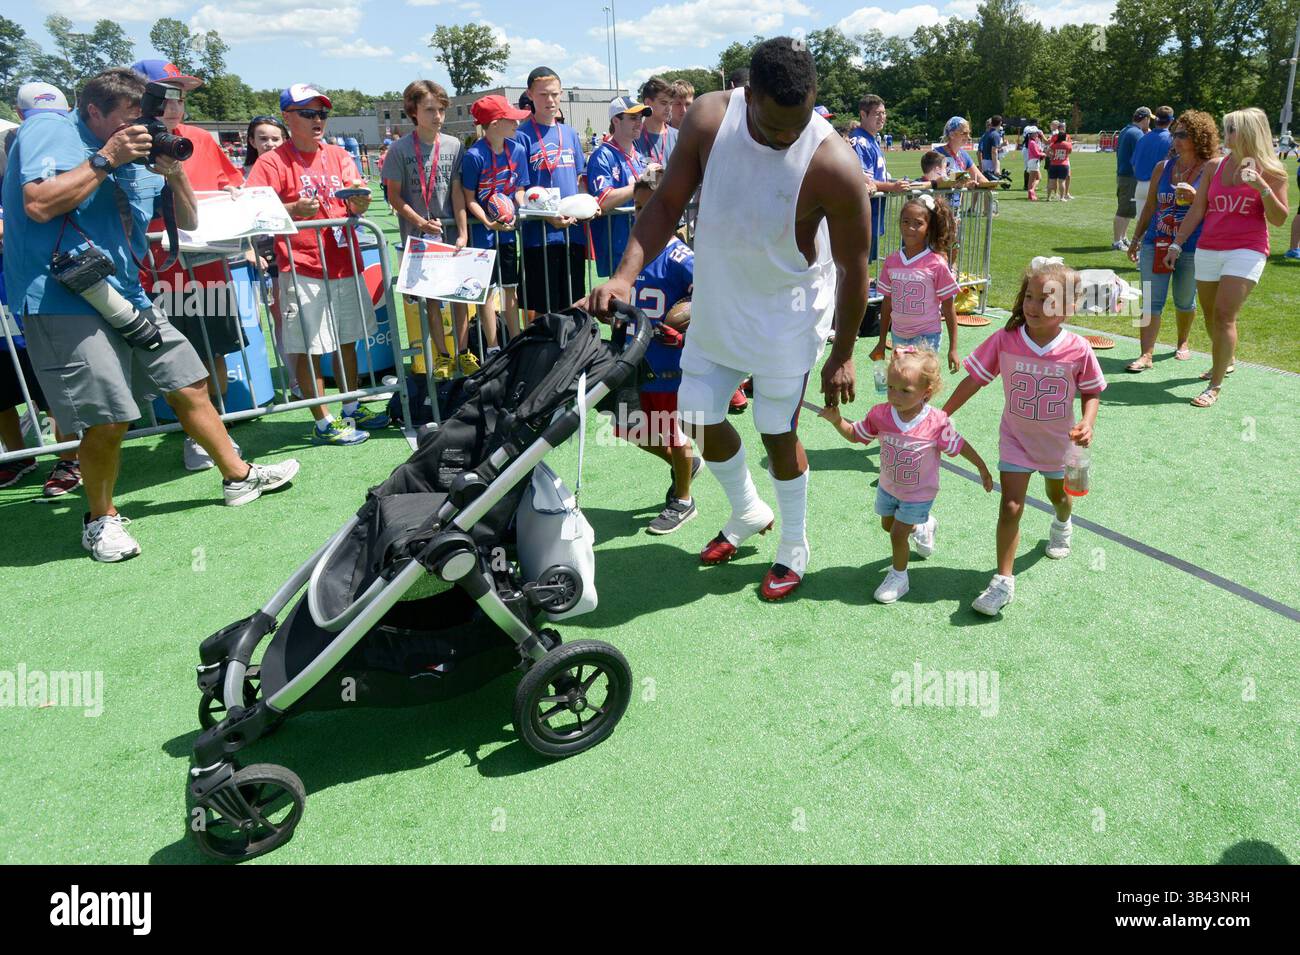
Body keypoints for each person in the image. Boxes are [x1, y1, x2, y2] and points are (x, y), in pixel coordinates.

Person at [586, 37, 872, 601]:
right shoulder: (711, 117)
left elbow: (856, 267)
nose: (786, 136)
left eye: (799, 122)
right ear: (750, 96)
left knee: (776, 430)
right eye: (773, 126)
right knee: (694, 413)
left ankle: (794, 546)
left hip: (788, 318)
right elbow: (665, 203)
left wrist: (842, 353)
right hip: (720, 303)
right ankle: (747, 511)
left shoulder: (834, 162)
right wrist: (622, 276)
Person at [3, 68, 300, 560]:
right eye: (128, 118)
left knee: (188, 380)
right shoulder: (51, 129)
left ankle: (239, 477)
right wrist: (105, 159)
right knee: (108, 417)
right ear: (93, 111)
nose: (140, 127)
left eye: (143, 117)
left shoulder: (139, 147)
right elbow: (37, 204)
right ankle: (100, 519)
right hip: (61, 297)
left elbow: (188, 221)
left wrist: (175, 172)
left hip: (125, 292)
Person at [943, 259, 1104, 616]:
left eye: (1045, 300)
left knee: (1058, 495)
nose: (1032, 306)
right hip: (1015, 439)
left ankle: (1062, 523)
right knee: (1011, 506)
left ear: (1067, 307)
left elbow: (1092, 392)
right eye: (1029, 297)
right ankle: (1003, 581)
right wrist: (944, 412)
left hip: (1059, 444)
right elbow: (975, 379)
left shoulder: (1078, 349)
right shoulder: (1005, 340)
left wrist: (1088, 421)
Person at [244, 83, 388, 444]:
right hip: (302, 266)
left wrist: (360, 204)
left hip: (344, 262)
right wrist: (292, 210)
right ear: (289, 118)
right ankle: (323, 420)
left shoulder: (339, 155)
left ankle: (351, 405)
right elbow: (252, 210)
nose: (318, 120)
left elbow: (356, 195)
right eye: (309, 113)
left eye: (322, 113)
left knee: (348, 341)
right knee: (309, 347)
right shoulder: (272, 161)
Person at [131, 60, 249, 472]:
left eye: (180, 96)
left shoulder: (201, 138)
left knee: (213, 348)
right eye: (165, 95)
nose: (174, 106)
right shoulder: (127, 143)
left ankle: (212, 426)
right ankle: (193, 435)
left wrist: (237, 193)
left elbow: (230, 182)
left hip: (208, 269)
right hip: (156, 273)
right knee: (173, 360)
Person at [819, 346, 991, 604]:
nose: (895, 396)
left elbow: (960, 445)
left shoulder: (936, 422)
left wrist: (981, 467)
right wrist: (836, 421)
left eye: (905, 391)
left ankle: (899, 577)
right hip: (888, 488)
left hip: (919, 494)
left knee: (898, 534)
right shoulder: (881, 414)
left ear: (926, 393)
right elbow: (856, 435)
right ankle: (925, 525)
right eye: (890, 387)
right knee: (888, 525)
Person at [1165, 107, 1291, 408]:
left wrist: (1261, 187)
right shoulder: (1214, 167)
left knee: (1224, 314)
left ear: (1248, 132)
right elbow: (1199, 209)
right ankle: (1226, 358)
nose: (1226, 135)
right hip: (1209, 247)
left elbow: (1279, 218)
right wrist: (1177, 243)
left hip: (1247, 249)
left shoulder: (1273, 171)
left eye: (1231, 129)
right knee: (1210, 316)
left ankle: (1215, 384)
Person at [0, 82, 82, 496]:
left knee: (51, 384)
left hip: (34, 291)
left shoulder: (32, 146)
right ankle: (18, 458)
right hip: (16, 296)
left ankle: (69, 460)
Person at [613, 174, 700, 534]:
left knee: (672, 433)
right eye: (637, 207)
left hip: (669, 364)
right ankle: (686, 465)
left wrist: (683, 323)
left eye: (650, 208)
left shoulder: (682, 257)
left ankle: (683, 500)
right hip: (635, 357)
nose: (641, 215)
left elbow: (709, 298)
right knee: (627, 427)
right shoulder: (633, 251)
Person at [382, 80, 474, 378]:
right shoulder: (399, 149)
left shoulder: (454, 144)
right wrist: (420, 222)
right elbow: (393, 196)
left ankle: (463, 353)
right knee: (433, 300)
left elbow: (458, 190)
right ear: (413, 112)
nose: (437, 116)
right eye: (430, 110)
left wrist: (462, 231)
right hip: (420, 236)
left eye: (441, 110)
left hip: (449, 233)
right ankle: (443, 355)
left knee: (460, 297)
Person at [1125, 110, 1218, 372]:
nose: (1175, 139)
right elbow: (1150, 206)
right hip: (1156, 242)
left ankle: (1182, 341)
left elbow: (1217, 209)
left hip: (1192, 245)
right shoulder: (1163, 168)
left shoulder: (1211, 168)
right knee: (1150, 300)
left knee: (1184, 300)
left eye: (1183, 135)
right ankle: (1146, 354)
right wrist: (1136, 238)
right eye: (1175, 134)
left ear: (1199, 137)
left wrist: (1197, 196)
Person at [513, 67, 587, 317]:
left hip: (572, 234)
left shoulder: (570, 133)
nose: (550, 100)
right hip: (539, 237)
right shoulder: (520, 137)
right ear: (530, 95)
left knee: (573, 305)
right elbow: (519, 191)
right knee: (544, 312)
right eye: (543, 94)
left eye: (555, 94)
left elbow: (579, 180)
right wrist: (546, 215)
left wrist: (588, 205)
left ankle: (574, 355)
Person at [461, 94, 531, 344]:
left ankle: (515, 342)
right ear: (493, 124)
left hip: (508, 231)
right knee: (486, 292)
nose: (516, 124)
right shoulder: (474, 156)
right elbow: (469, 198)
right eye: (509, 119)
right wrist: (488, 221)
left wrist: (518, 208)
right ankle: (492, 347)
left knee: (510, 287)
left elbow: (519, 189)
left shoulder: (518, 150)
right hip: (482, 235)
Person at [873, 194, 961, 372]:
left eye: (918, 223)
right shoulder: (892, 261)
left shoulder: (936, 263)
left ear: (928, 228)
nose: (910, 228)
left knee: (920, 385)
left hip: (927, 337)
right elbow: (887, 303)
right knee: (901, 382)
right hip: (898, 335)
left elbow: (948, 306)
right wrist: (881, 341)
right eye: (905, 221)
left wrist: (953, 348)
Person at [587, 96, 653, 277]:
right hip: (618, 245)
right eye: (633, 118)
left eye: (641, 118)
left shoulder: (639, 157)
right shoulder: (602, 155)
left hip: (642, 241)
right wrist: (643, 183)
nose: (639, 123)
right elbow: (603, 200)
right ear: (616, 120)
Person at [1130, 106, 1174, 238]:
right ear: (1171, 120)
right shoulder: (1171, 139)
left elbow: (1134, 164)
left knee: (1142, 226)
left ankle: (1140, 256)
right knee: (1162, 229)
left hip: (1141, 185)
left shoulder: (1143, 138)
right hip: (1160, 187)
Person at [1114, 107, 1152, 250]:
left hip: (1125, 174)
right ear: (1145, 119)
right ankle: (1117, 241)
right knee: (1124, 210)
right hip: (1130, 176)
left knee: (1129, 209)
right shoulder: (1137, 134)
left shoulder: (1126, 130)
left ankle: (1122, 238)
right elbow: (1141, 157)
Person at [636, 77, 678, 168]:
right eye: (663, 103)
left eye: (671, 103)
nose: (669, 108)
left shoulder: (678, 137)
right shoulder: (633, 138)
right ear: (647, 103)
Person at [935, 117, 988, 186]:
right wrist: (966, 184)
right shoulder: (937, 154)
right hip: (941, 197)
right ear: (952, 135)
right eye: (964, 133)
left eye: (969, 133)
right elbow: (938, 181)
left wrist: (991, 185)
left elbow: (980, 178)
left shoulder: (964, 155)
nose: (969, 137)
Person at [1046, 129, 1072, 201]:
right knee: (1062, 182)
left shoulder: (1054, 144)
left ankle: (1048, 197)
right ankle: (1062, 198)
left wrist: (1052, 156)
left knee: (1051, 182)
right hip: (1063, 164)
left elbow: (1047, 152)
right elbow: (1069, 152)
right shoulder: (1068, 144)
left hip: (1053, 164)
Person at [1024, 127, 1045, 201]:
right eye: (1036, 133)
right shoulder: (1032, 142)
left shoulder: (1031, 141)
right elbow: (1036, 154)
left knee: (1032, 180)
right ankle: (1032, 190)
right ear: (1032, 134)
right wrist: (1044, 154)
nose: (1037, 134)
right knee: (1038, 178)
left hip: (1032, 162)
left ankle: (1030, 195)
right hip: (1034, 162)